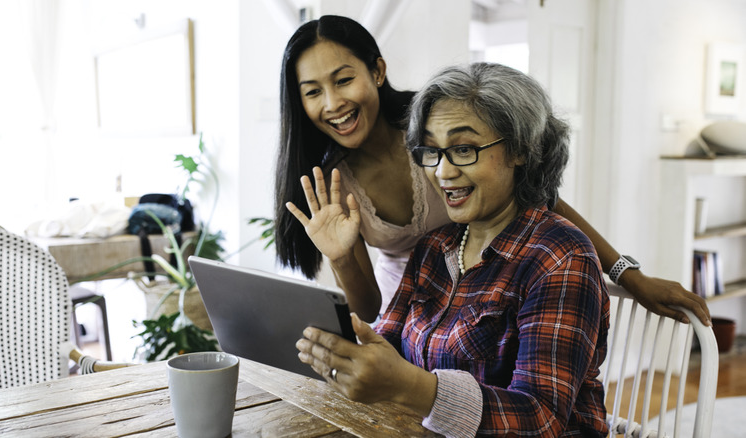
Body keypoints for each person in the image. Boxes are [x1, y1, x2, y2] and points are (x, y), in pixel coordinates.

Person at [275, 14, 710, 325]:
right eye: (313, 92)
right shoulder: (328, 183)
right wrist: (341, 259)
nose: (332, 103)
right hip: (416, 313)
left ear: (378, 71)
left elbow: (545, 199)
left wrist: (629, 277)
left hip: (494, 293)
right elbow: (371, 312)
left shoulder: (436, 123)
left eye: (343, 80)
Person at [296, 62, 609, 437]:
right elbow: (388, 345)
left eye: (463, 149)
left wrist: (409, 386)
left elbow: (541, 419)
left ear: (520, 150)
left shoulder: (560, 258)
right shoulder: (435, 246)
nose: (442, 172)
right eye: (431, 150)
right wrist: (342, 342)